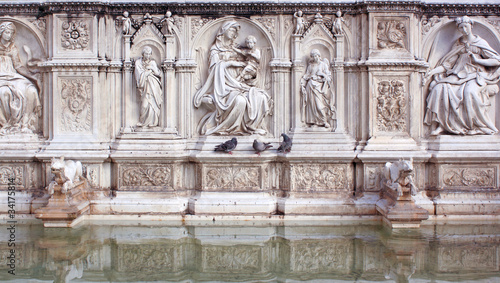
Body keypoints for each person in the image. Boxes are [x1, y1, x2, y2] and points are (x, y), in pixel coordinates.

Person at [424, 16, 500, 135]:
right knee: (439, 88)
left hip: (475, 76)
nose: (464, 29)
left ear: (471, 26)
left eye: (466, 26)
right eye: (461, 27)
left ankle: (476, 126)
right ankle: (442, 125)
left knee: (470, 92)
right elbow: (447, 65)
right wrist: (431, 72)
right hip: (457, 75)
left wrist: (479, 61)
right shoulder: (458, 44)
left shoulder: (479, 43)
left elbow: (496, 61)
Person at [193, 21, 272, 135]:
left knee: (261, 97)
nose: (233, 32)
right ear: (223, 31)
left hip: (240, 84)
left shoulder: (236, 48)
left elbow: (250, 66)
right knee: (240, 101)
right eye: (231, 29)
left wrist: (251, 75)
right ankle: (230, 129)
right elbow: (214, 71)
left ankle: (252, 127)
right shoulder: (215, 50)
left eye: (235, 30)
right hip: (223, 86)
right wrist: (231, 63)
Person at [0, 21, 41, 135]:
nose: (9, 35)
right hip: (1, 78)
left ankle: (24, 124)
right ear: (1, 32)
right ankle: (7, 124)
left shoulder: (12, 48)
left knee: (31, 89)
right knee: (4, 92)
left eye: (11, 33)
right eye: (7, 32)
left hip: (12, 76)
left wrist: (32, 76)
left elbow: (18, 66)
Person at [300, 49, 334, 128]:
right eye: (313, 56)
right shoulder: (310, 66)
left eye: (316, 56)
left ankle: (324, 121)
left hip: (319, 88)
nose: (315, 57)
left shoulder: (323, 65)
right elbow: (306, 76)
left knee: (319, 105)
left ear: (319, 56)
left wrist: (321, 74)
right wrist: (303, 84)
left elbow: (328, 78)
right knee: (311, 105)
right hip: (310, 87)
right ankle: (315, 122)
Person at [134, 46, 162, 127]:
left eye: (149, 54)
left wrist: (151, 68)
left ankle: (153, 122)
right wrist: (148, 72)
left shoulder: (152, 62)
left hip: (154, 86)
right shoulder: (138, 62)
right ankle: (143, 121)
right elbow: (138, 74)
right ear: (143, 54)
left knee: (153, 104)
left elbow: (157, 73)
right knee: (144, 105)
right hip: (145, 87)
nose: (148, 55)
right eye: (146, 54)